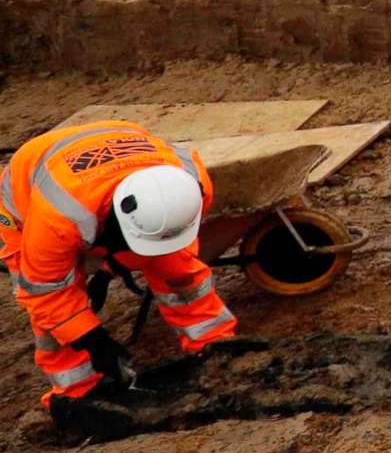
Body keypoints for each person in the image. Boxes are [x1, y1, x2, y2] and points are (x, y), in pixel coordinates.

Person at [2, 119, 237, 412]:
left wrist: (109, 268)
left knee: (178, 267)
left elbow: (155, 240)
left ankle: (212, 340)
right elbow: (45, 293)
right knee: (52, 316)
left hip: (111, 157)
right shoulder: (60, 217)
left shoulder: (192, 184)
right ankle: (76, 390)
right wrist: (93, 340)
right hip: (29, 190)